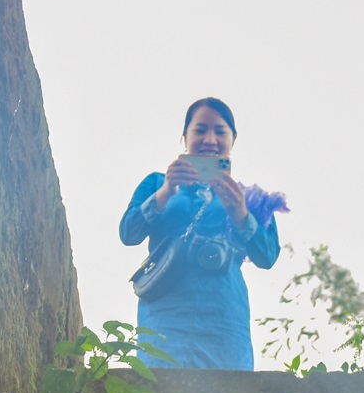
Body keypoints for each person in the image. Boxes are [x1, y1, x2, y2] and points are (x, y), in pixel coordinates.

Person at [119, 97, 287, 370]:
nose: (210, 139)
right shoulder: (157, 182)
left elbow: (268, 256)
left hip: (224, 315)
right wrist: (164, 194)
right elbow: (128, 233)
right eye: (200, 130)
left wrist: (241, 214)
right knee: (160, 392)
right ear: (184, 137)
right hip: (164, 309)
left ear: (233, 140)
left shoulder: (246, 197)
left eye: (220, 131)